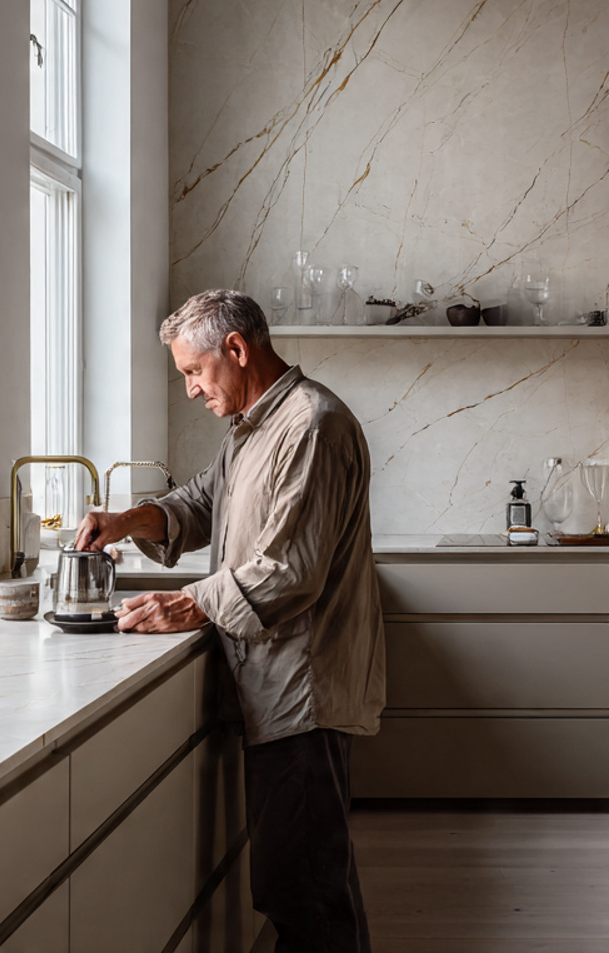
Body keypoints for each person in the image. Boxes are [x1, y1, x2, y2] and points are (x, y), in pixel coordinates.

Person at [75, 288, 384, 953]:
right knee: (302, 881)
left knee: (307, 892)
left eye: (193, 371)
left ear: (237, 350)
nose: (189, 389)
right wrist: (129, 520)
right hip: (278, 684)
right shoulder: (253, 429)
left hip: (305, 690)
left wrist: (191, 602)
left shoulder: (310, 425)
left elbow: (289, 570)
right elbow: (198, 503)